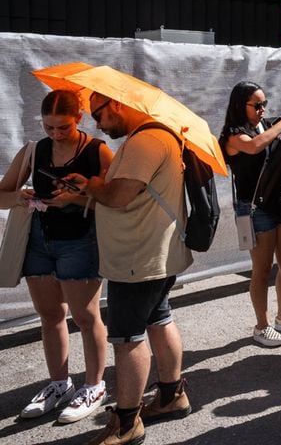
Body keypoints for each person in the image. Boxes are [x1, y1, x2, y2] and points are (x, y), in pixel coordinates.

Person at [67, 92, 193, 444]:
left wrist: (94, 185)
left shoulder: (146, 141)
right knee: (159, 319)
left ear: (117, 105)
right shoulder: (159, 135)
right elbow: (132, 193)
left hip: (138, 257)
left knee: (126, 338)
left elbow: (119, 196)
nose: (96, 123)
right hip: (155, 253)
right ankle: (171, 396)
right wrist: (87, 192)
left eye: (99, 114)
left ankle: (126, 423)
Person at [0, 90, 112, 425]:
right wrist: (20, 197)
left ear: (80, 117)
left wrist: (75, 200)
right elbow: (1, 195)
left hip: (80, 241)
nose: (56, 134)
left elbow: (115, 200)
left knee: (86, 317)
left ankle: (94, 386)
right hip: (39, 241)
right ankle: (59, 384)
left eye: (62, 127)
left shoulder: (97, 151)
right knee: (49, 315)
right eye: (49, 127)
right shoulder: (35, 150)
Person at [219, 82, 281, 348]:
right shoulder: (233, 135)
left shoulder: (267, 124)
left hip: (280, 202)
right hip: (255, 207)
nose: (262, 110)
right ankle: (262, 325)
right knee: (261, 270)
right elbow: (255, 146)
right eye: (256, 105)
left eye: (264, 104)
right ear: (240, 106)